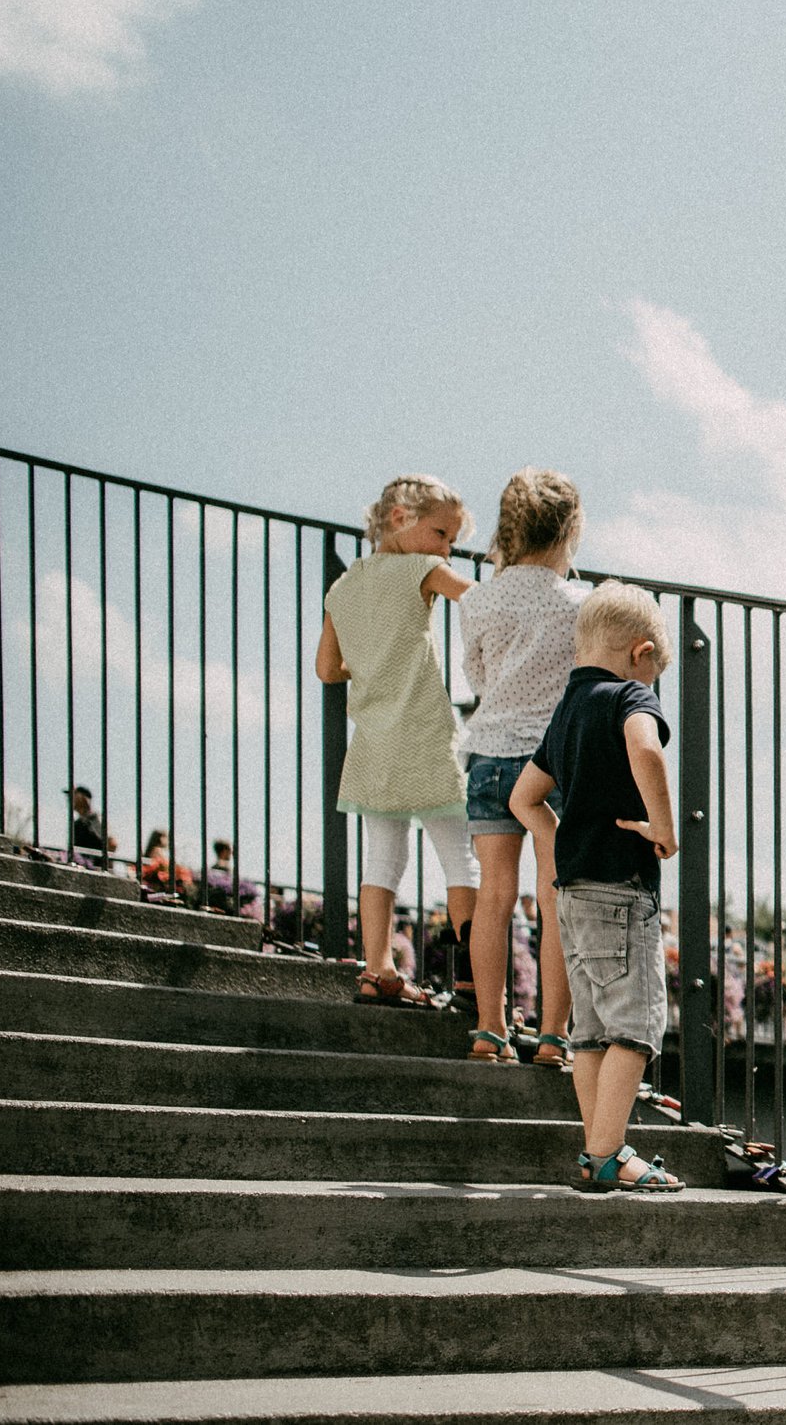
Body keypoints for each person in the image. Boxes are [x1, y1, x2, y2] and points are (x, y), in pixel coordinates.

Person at [509, 581, 683, 1192]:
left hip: (572, 893)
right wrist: (663, 828)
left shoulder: (567, 711)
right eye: (656, 671)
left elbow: (523, 798)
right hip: (621, 889)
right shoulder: (630, 696)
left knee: (589, 1035)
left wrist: (559, 839)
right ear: (641, 653)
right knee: (636, 1026)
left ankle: (598, 1149)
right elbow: (647, 750)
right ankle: (608, 1153)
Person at [317, 473, 478, 1009]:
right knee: (461, 857)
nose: (446, 548)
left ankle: (377, 970)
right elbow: (475, 598)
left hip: (375, 744)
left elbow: (328, 669)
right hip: (425, 734)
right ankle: (474, 984)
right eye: (441, 533)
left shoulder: (342, 588)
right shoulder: (421, 568)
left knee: (383, 859)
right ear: (400, 518)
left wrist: (370, 661)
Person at [458, 468, 584, 1067]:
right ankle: (554, 1036)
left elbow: (477, 676)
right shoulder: (582, 604)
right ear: (569, 531)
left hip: (489, 756)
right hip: (552, 765)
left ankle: (490, 1028)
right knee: (554, 896)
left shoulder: (478, 599)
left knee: (494, 895)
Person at [66, 786, 115, 868]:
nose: (70, 799)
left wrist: (104, 864)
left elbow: (112, 843)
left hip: (95, 868)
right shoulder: (77, 823)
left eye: (74, 795)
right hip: (81, 867)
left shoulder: (94, 819)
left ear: (84, 798)